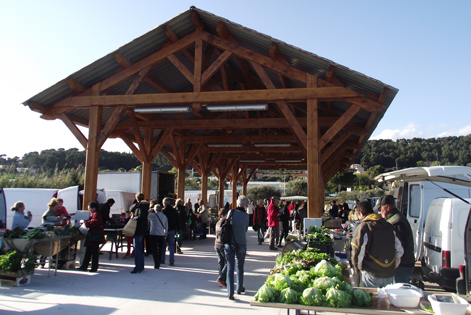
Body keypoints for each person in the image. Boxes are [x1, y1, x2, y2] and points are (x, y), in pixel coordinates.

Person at [351, 201, 404, 288]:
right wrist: (393, 266)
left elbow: (358, 251)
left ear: (361, 213)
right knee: (385, 301)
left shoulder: (364, 227)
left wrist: (359, 269)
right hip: (389, 274)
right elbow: (399, 250)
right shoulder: (390, 227)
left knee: (370, 300)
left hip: (371, 274)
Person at [380, 195, 415, 284]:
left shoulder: (396, 222)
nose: (379, 212)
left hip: (402, 265)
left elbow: (400, 247)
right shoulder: (395, 218)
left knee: (400, 292)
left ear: (387, 207)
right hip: (402, 264)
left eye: (380, 209)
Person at [225, 195, 249, 300]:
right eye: (246, 205)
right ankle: (239, 287)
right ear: (243, 205)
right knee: (240, 266)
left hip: (230, 243)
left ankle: (230, 292)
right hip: (241, 242)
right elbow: (246, 229)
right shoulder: (246, 216)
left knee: (230, 267)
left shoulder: (231, 212)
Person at [79, 202, 105, 272]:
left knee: (93, 252)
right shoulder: (96, 213)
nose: (89, 210)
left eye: (89, 208)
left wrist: (86, 223)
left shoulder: (96, 214)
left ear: (93, 208)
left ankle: (93, 267)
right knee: (89, 252)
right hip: (93, 236)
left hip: (94, 235)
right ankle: (85, 266)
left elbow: (94, 223)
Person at [129, 193, 149, 274]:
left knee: (137, 248)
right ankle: (140, 266)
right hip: (142, 229)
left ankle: (138, 267)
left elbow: (140, 216)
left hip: (138, 229)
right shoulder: (145, 205)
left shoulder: (141, 206)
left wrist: (134, 218)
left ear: (137, 199)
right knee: (140, 248)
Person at [344, 209, 361, 286]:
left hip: (350, 242)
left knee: (351, 260)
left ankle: (355, 282)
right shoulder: (362, 224)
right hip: (357, 245)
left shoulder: (349, 222)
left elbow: (344, 229)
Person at [148, 204, 167, 269]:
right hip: (162, 234)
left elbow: (146, 216)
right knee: (160, 249)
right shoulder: (164, 216)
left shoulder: (152, 215)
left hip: (154, 234)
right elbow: (166, 226)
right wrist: (165, 234)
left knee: (154, 249)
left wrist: (150, 210)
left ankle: (156, 263)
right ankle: (159, 262)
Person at [162, 197, 180, 266]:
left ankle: (162, 260)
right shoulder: (174, 211)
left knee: (163, 246)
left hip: (164, 230)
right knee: (171, 245)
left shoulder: (163, 211)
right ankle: (171, 260)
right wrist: (177, 229)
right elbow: (177, 220)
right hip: (172, 229)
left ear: (164, 203)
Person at [215, 208, 229, 288]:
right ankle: (221, 278)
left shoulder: (217, 223)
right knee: (228, 262)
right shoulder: (224, 223)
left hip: (216, 244)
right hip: (222, 244)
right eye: (226, 215)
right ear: (222, 216)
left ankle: (222, 280)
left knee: (221, 262)